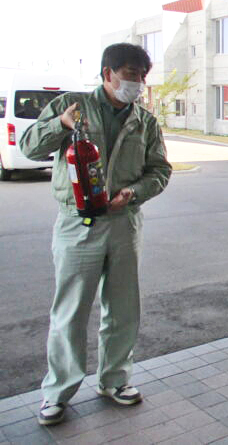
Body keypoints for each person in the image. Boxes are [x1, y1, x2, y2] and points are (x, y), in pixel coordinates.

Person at [20, 43, 172, 426]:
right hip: (78, 224)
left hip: (124, 223)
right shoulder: (72, 107)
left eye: (142, 76)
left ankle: (115, 380)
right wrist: (60, 125)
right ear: (108, 74)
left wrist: (133, 193)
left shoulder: (144, 121)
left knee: (122, 309)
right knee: (70, 311)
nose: (137, 83)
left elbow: (160, 171)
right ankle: (58, 392)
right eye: (131, 74)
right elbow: (29, 147)